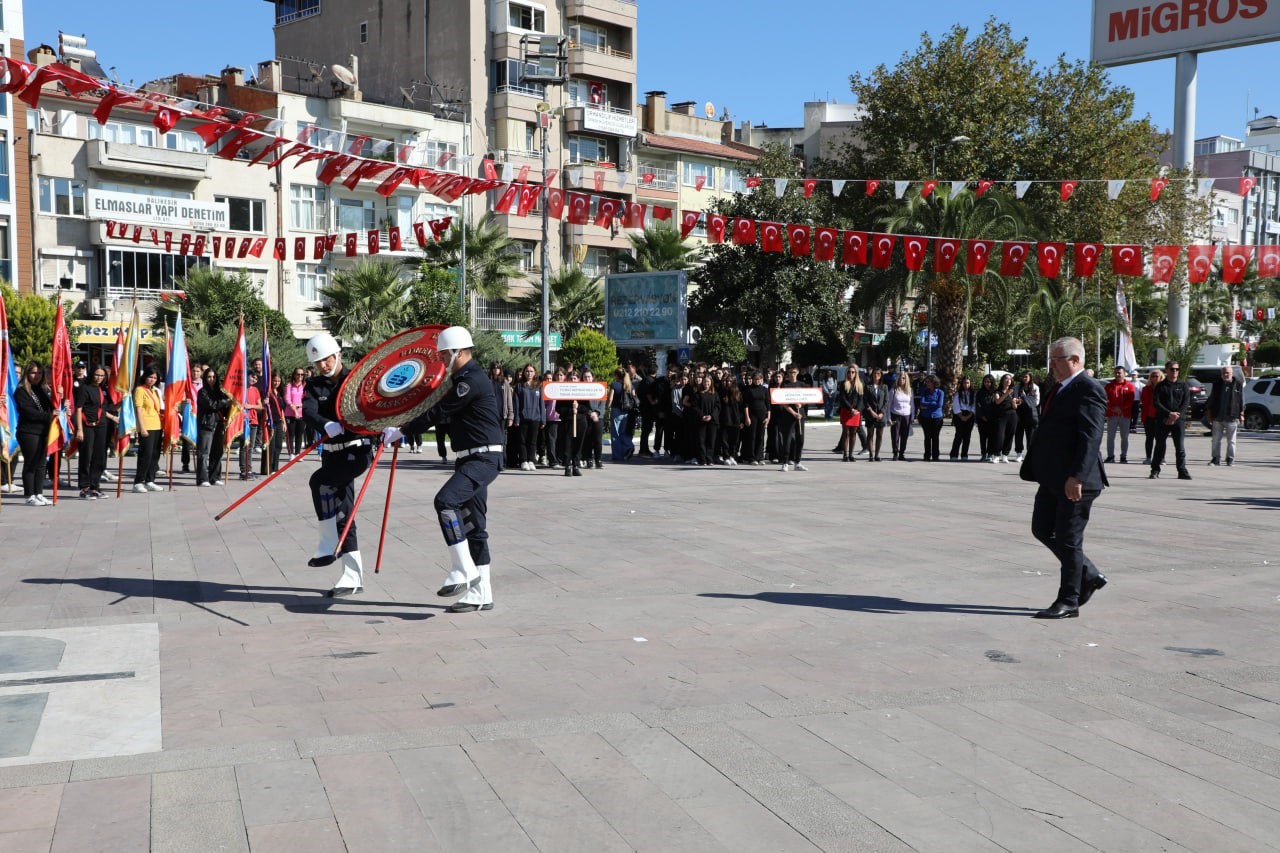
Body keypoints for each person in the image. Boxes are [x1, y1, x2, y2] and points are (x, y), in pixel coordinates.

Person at [384, 326, 503, 613]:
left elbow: (438, 412)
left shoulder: (469, 380)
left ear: (458, 353)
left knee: (445, 501)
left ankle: (464, 571)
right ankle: (482, 593)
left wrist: (401, 431)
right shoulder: (461, 379)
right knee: (475, 526)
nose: (439, 359)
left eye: (442, 354)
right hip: (470, 458)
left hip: (482, 458)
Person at [1024, 336, 1109, 619]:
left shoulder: (1089, 389)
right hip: (1052, 477)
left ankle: (1069, 600)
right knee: (1042, 528)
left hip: (1075, 481)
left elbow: (1091, 436)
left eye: (1056, 360)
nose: (1051, 365)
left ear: (1075, 360)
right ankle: (1088, 573)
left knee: (1069, 539)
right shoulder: (1059, 388)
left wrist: (1077, 476)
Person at [302, 332, 375, 597]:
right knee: (344, 512)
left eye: (326, 359)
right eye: (318, 361)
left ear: (337, 355)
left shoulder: (355, 380)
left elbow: (372, 405)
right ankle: (353, 576)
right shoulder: (314, 385)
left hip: (356, 452)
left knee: (318, 481)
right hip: (331, 453)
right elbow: (308, 411)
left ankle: (327, 542)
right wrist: (325, 424)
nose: (322, 365)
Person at [15, 362, 53, 506]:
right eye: (33, 373)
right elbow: (28, 411)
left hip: (43, 431)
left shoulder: (42, 389)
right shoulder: (21, 390)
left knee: (42, 463)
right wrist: (49, 416)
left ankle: (39, 493)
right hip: (28, 431)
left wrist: (60, 396)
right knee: (31, 463)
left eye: (39, 373)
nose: (36, 376)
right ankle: (30, 495)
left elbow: (52, 406)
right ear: (27, 374)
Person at [74, 365, 115, 499]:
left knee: (99, 457)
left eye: (102, 376)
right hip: (87, 426)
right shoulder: (84, 389)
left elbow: (105, 408)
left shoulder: (102, 389)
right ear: (91, 374)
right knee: (87, 456)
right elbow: (78, 409)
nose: (99, 378)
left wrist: (124, 401)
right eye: (97, 375)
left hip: (101, 425)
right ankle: (84, 487)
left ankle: (95, 486)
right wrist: (79, 429)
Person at [1150, 361, 1192, 480]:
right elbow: (1156, 402)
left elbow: (1186, 402)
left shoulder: (1183, 385)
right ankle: (1155, 470)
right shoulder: (1160, 386)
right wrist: (1168, 414)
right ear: (1166, 370)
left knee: (1180, 447)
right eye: (1172, 369)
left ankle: (1182, 470)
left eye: (1177, 369)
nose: (1175, 371)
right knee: (1160, 446)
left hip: (1178, 420)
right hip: (1163, 420)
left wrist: (1177, 415)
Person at [131, 368, 164, 493]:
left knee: (155, 455)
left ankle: (150, 480)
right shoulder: (140, 390)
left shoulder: (155, 391)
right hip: (146, 426)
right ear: (145, 377)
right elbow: (138, 409)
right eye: (150, 377)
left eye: (155, 378)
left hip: (157, 425)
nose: (152, 380)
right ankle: (138, 481)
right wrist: (142, 427)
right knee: (146, 455)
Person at [196, 367, 230, 487]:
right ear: (205, 378)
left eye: (214, 377)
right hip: (206, 424)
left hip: (219, 424)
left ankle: (214, 477)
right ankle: (202, 478)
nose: (212, 379)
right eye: (209, 377)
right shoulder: (202, 392)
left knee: (217, 452)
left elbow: (224, 408)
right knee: (204, 452)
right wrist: (225, 402)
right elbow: (212, 405)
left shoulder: (220, 392)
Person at [1206, 364, 1244, 466]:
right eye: (1223, 373)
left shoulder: (1238, 384)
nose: (1225, 374)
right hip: (1217, 416)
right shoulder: (1217, 384)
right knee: (1215, 440)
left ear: (1232, 373)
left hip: (1231, 416)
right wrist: (1209, 413)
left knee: (1231, 440)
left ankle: (1230, 459)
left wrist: (1241, 414)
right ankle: (1215, 459)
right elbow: (1211, 399)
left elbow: (1240, 400)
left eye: (1227, 372)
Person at [513, 364, 544, 471]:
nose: (529, 373)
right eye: (527, 371)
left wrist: (543, 418)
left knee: (533, 441)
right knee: (522, 441)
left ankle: (531, 460)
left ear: (534, 373)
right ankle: (523, 461)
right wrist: (516, 418)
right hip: (522, 418)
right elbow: (516, 404)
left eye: (531, 371)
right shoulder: (519, 386)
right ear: (524, 373)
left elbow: (542, 403)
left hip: (535, 418)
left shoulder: (538, 386)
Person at [1103, 367, 1136, 464]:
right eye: (1116, 373)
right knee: (1110, 436)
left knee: (1124, 437)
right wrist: (1113, 408)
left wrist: (1121, 408)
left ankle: (1123, 456)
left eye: (1119, 373)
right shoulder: (1109, 386)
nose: (1117, 374)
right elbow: (1105, 399)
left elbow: (1130, 400)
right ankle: (1110, 456)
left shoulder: (1129, 386)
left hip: (1125, 415)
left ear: (1124, 374)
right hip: (1112, 415)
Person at [835, 365, 864, 462]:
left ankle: (851, 454)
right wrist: (851, 409)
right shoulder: (843, 384)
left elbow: (861, 399)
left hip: (856, 413)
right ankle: (845, 455)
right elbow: (842, 398)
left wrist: (857, 410)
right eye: (849, 372)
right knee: (846, 433)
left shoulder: (859, 385)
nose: (850, 374)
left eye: (853, 372)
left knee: (853, 433)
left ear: (856, 373)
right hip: (846, 411)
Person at [606, 367, 636, 462]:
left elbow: (610, 398)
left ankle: (617, 455)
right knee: (623, 432)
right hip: (627, 411)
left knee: (616, 434)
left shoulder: (614, 385)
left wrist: (607, 407)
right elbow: (634, 397)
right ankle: (629, 446)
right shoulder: (629, 385)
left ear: (616, 375)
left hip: (616, 410)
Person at [740, 370, 770, 465]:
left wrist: (768, 417)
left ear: (762, 379)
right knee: (752, 436)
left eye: (759, 379)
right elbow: (746, 405)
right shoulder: (749, 390)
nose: (757, 381)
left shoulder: (765, 390)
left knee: (761, 437)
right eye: (756, 379)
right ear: (752, 379)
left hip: (762, 415)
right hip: (752, 416)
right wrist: (747, 417)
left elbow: (768, 405)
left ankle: (760, 457)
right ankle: (751, 458)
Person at [260, 372, 286, 476]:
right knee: (270, 445)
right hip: (269, 422)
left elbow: (282, 410)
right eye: (275, 380)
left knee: (278, 445)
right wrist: (263, 402)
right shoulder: (267, 392)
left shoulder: (279, 393)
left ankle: (275, 467)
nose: (276, 383)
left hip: (278, 421)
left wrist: (284, 422)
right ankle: (266, 468)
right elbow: (261, 405)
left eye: (279, 381)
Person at [1012, 371, 1040, 462]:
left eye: (1026, 377)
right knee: (1018, 433)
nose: (1024, 378)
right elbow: (1015, 398)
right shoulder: (1017, 387)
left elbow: (1036, 402)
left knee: (1031, 435)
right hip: (1019, 413)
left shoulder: (1035, 387)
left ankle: (1029, 454)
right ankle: (1019, 453)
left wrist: (1023, 401)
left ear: (1030, 377)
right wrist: (1017, 401)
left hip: (1031, 413)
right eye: (1023, 377)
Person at [580, 368, 605, 469]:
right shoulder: (580, 388)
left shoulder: (599, 387)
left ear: (592, 377)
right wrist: (590, 413)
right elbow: (581, 404)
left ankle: (598, 459)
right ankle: (588, 459)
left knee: (598, 440)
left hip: (598, 417)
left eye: (589, 377)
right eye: (585, 377)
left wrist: (597, 413)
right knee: (587, 439)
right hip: (586, 416)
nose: (587, 379)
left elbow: (603, 403)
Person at [917, 375, 945, 462]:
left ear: (934, 382)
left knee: (935, 437)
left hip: (937, 417)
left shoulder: (940, 392)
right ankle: (927, 455)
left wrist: (927, 405)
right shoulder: (924, 391)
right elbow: (922, 402)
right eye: (927, 381)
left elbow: (939, 404)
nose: (927, 383)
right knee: (927, 437)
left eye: (929, 381)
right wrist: (933, 403)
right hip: (926, 417)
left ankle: (935, 456)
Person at [864, 367, 889, 461]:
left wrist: (882, 412)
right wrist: (871, 412)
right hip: (871, 414)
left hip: (881, 415)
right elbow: (865, 401)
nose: (876, 375)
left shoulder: (884, 387)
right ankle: (871, 454)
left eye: (878, 373)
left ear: (881, 375)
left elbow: (886, 401)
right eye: (875, 373)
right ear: (872, 375)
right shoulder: (868, 386)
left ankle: (877, 455)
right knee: (870, 435)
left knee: (879, 435)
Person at [717, 375, 742, 464]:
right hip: (724, 419)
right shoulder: (722, 392)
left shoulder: (738, 392)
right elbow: (718, 407)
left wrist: (741, 420)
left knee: (734, 440)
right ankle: (726, 457)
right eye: (727, 381)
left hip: (736, 420)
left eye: (730, 381)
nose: (728, 383)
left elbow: (741, 407)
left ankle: (732, 456)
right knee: (724, 440)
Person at [1139, 368, 1163, 465]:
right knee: (1149, 438)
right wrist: (1143, 417)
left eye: (1156, 376)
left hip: (1160, 417)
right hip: (1148, 417)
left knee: (1160, 439)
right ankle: (1148, 457)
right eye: (1152, 376)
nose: (1154, 378)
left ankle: (1161, 458)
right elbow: (1143, 403)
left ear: (1161, 377)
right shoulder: (1146, 389)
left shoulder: (1163, 388)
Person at [949, 375, 976, 460]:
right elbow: (956, 406)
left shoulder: (973, 394)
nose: (966, 385)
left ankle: (964, 454)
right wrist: (961, 416)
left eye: (968, 383)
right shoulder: (958, 393)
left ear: (970, 383)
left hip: (970, 415)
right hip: (959, 415)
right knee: (958, 435)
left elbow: (974, 406)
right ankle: (954, 454)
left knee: (967, 436)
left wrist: (969, 416)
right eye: (964, 383)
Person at [888, 372, 913, 461]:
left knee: (904, 436)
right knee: (895, 435)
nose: (901, 380)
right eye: (900, 378)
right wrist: (888, 417)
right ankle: (895, 453)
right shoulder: (893, 390)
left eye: (903, 378)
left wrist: (912, 417)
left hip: (906, 415)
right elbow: (889, 404)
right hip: (896, 415)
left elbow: (912, 404)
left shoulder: (909, 390)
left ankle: (902, 453)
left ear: (906, 379)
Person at [283, 368, 307, 455]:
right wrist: (294, 410)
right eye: (298, 374)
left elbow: (306, 400)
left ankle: (298, 454)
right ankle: (291, 454)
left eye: (302, 374)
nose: (300, 376)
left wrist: (299, 406)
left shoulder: (305, 386)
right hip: (290, 414)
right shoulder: (289, 385)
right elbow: (287, 399)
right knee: (290, 434)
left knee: (299, 434)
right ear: (294, 375)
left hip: (301, 414)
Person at [975, 374, 998, 462]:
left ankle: (990, 454)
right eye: (985, 382)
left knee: (992, 437)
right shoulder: (980, 393)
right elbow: (978, 405)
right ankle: (983, 454)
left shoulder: (995, 392)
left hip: (993, 418)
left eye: (989, 382)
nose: (987, 384)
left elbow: (997, 404)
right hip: (982, 419)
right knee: (983, 437)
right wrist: (982, 416)